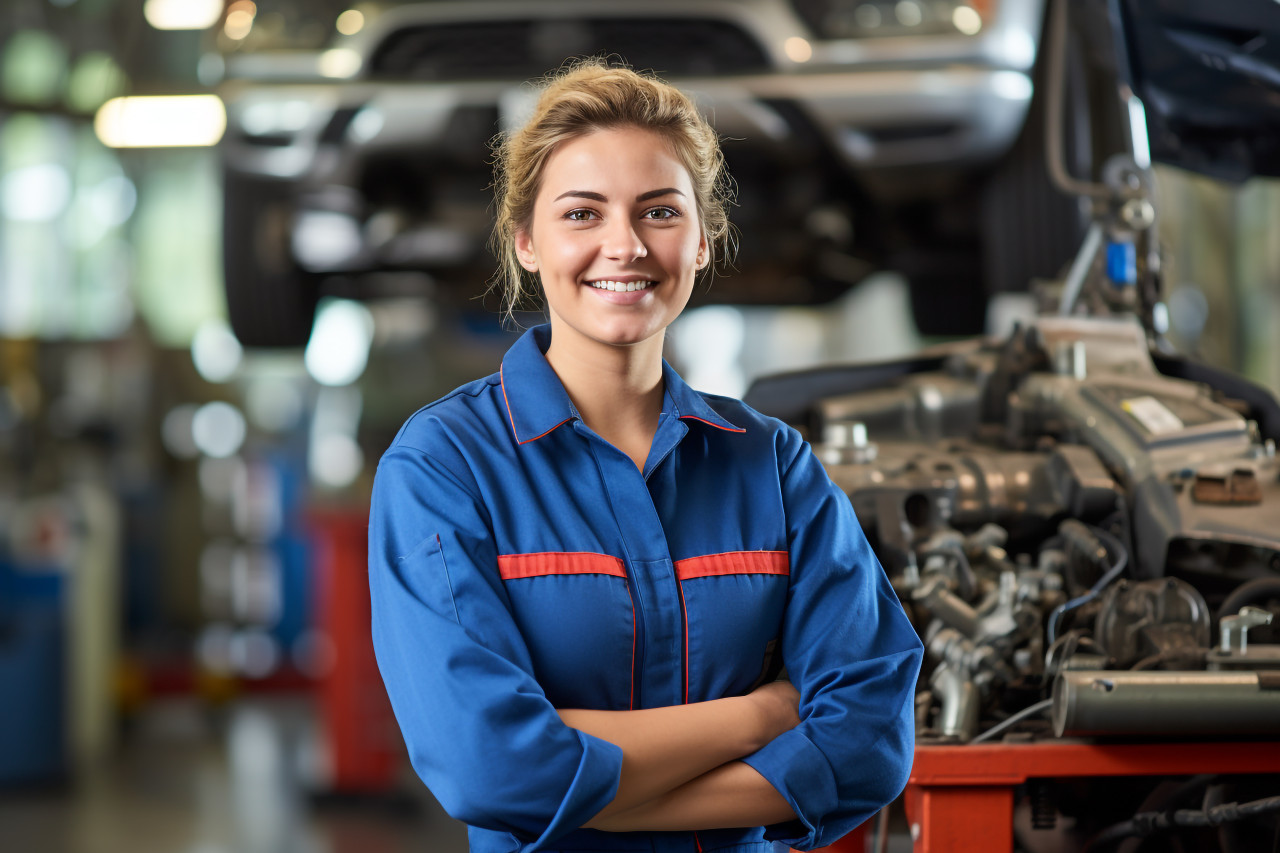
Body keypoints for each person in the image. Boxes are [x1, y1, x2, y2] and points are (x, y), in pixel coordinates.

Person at [368, 59, 923, 853]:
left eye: (659, 211)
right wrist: (764, 713)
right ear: (527, 240)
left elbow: (871, 741)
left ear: (701, 242)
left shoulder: (771, 464)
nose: (623, 246)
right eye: (582, 214)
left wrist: (586, 784)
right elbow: (490, 766)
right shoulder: (446, 467)